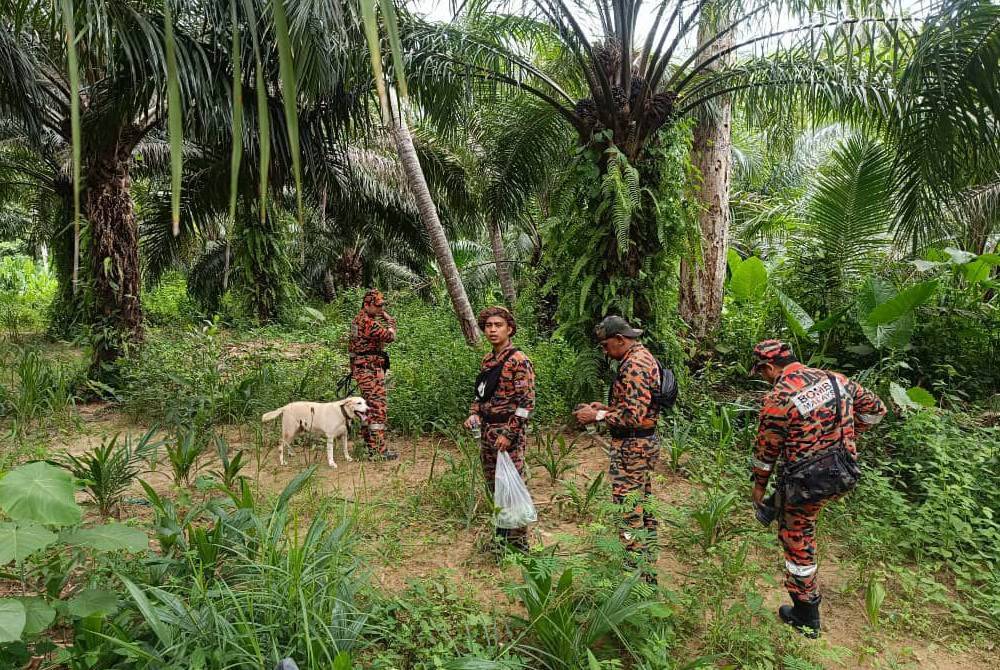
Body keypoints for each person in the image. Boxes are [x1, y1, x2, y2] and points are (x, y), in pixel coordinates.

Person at [750, 339, 887, 638]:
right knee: (800, 511)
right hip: (843, 471)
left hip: (809, 483)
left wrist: (758, 487)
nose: (764, 378)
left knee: (796, 536)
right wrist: (845, 436)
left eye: (761, 372)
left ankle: (806, 614)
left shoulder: (778, 398)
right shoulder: (837, 380)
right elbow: (877, 410)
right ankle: (779, 505)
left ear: (769, 368)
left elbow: (766, 453)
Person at [574, 315, 663, 582]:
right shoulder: (641, 357)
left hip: (632, 446)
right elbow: (636, 407)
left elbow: (633, 417)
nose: (604, 351)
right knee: (642, 503)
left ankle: (634, 573)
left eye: (605, 345)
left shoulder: (633, 365)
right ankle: (648, 565)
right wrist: (607, 408)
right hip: (641, 443)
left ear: (620, 339)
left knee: (628, 508)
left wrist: (597, 416)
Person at [464, 306, 535, 553]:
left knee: (511, 485)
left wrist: (509, 434)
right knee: (494, 486)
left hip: (507, 433)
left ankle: (519, 543)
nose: (492, 330)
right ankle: (501, 539)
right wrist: (474, 413)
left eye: (498, 325)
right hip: (487, 431)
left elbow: (526, 404)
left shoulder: (519, 360)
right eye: (488, 326)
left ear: (510, 329)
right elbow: (481, 394)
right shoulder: (488, 360)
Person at [349, 289, 398, 461]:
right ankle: (379, 451)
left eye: (382, 306)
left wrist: (354, 369)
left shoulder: (357, 320)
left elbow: (352, 349)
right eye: (377, 306)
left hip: (363, 370)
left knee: (367, 409)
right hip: (370, 372)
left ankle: (370, 447)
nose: (380, 309)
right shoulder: (369, 323)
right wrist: (390, 322)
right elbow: (390, 336)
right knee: (377, 409)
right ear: (366, 305)